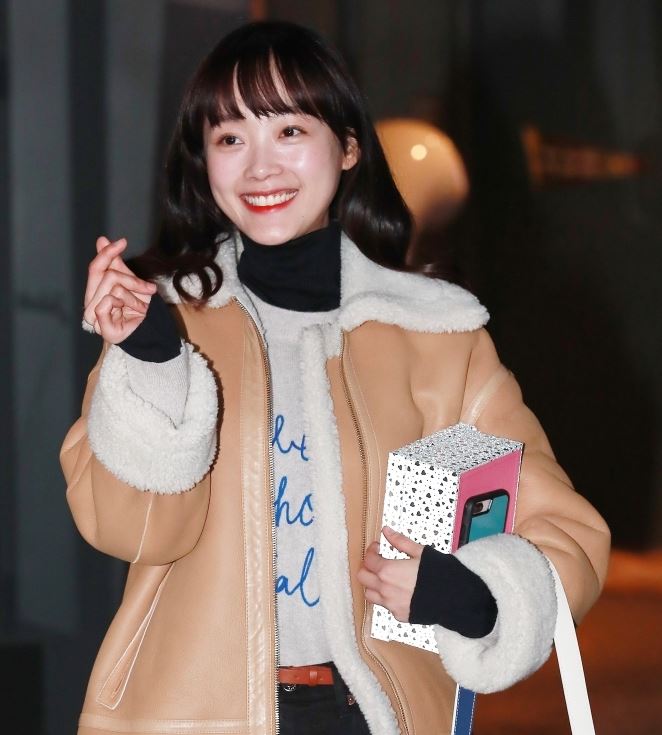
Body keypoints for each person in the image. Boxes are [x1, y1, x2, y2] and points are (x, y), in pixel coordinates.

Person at [61, 21, 610, 735]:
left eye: (289, 130)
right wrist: (155, 362)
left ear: (348, 146)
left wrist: (476, 591)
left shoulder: (436, 335)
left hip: (375, 714)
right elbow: (125, 528)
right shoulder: (166, 323)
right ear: (203, 160)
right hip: (192, 712)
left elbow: (568, 531)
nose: (260, 167)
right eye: (230, 138)